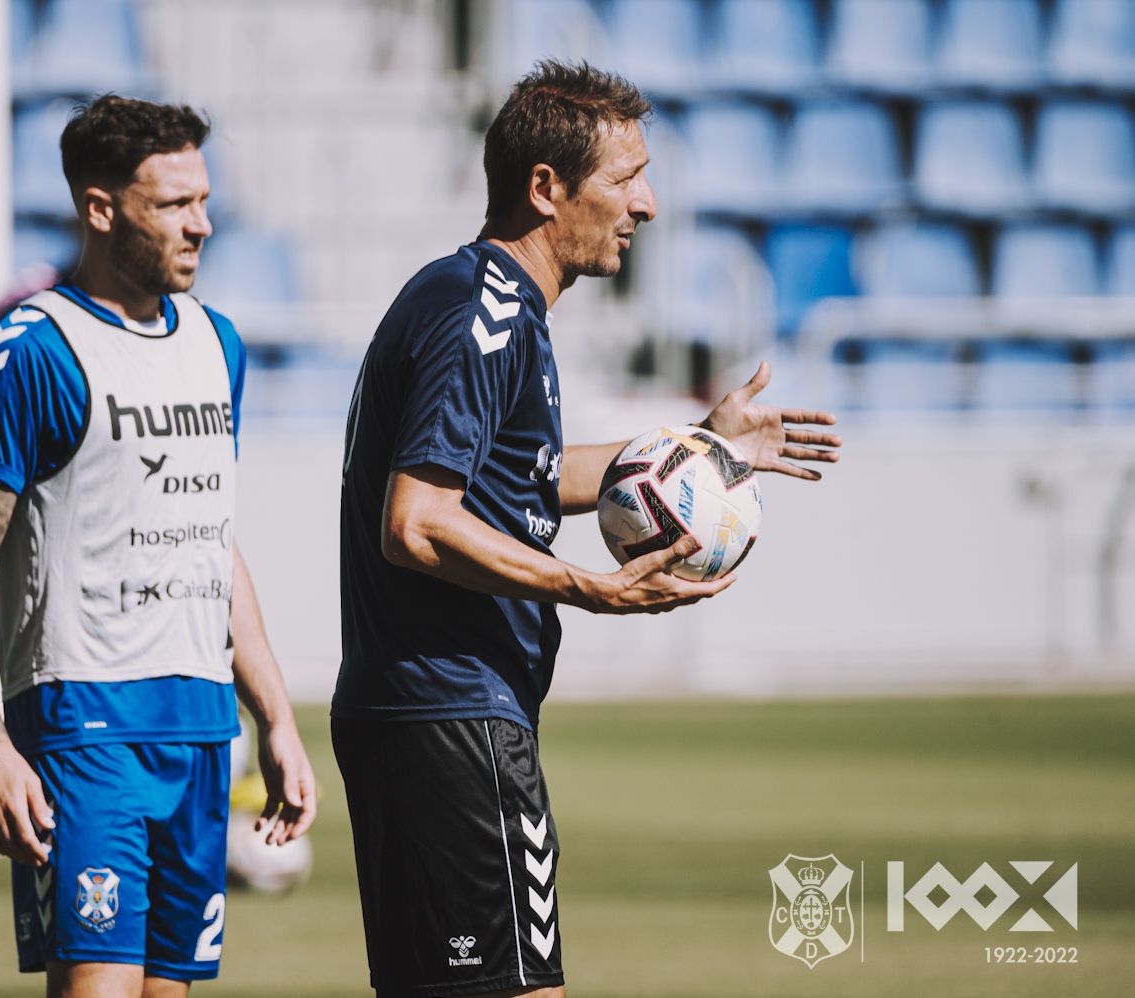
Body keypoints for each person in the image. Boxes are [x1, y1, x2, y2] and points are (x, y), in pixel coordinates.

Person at [331, 61, 841, 998]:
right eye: (626, 178)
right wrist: (589, 589)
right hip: (455, 711)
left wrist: (699, 449)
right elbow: (418, 522)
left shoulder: (487, 302)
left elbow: (517, 474)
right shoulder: (480, 314)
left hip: (423, 709)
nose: (646, 204)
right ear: (545, 188)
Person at [0, 95, 316, 998]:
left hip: (201, 728)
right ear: (101, 210)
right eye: (174, 205)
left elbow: (211, 542)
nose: (204, 225)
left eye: (204, 200)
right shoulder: (31, 353)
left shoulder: (218, 347)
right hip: (81, 723)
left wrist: (278, 720)